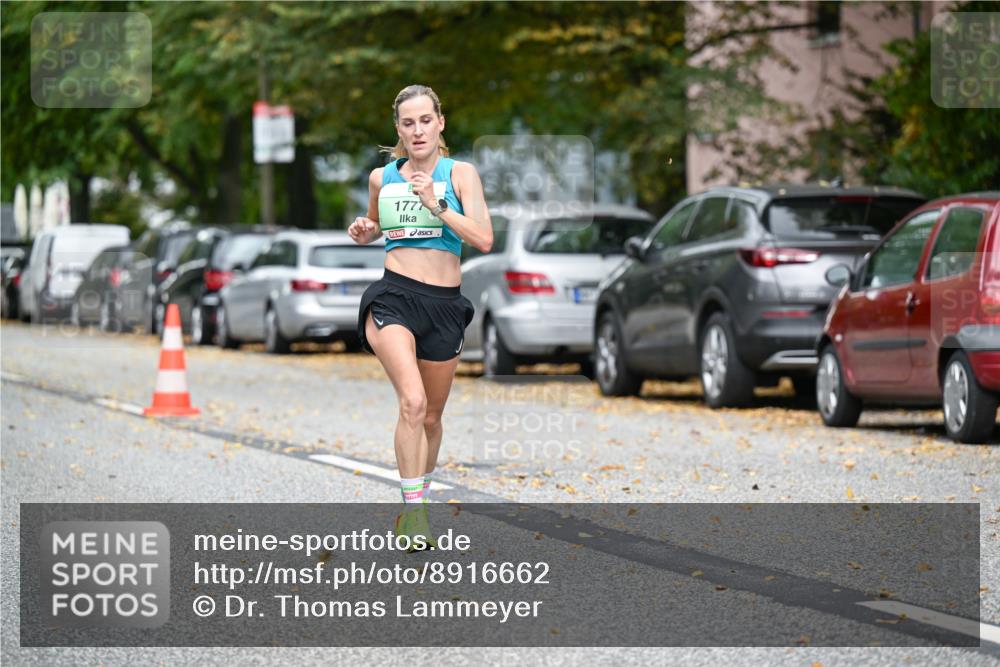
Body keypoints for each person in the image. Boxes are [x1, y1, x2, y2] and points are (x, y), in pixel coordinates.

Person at [348, 84, 493, 549]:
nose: (417, 130)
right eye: (408, 123)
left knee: (431, 416)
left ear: (440, 123)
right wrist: (364, 230)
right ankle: (415, 515)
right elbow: (373, 226)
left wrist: (437, 203)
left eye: (425, 120)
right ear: (399, 129)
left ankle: (417, 504)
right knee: (411, 403)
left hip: (445, 305)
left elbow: (484, 239)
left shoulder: (461, 174)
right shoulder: (381, 178)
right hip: (394, 296)